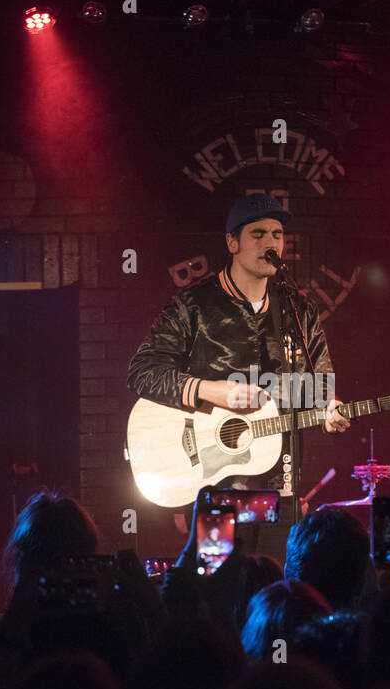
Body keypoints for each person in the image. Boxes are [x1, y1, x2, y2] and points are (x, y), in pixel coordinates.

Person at [127, 194, 350, 554]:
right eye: (258, 234)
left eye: (277, 234)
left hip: (283, 486)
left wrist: (329, 405)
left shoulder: (297, 306)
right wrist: (211, 391)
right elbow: (142, 372)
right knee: (220, 594)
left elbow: (319, 383)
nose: (271, 243)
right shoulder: (194, 306)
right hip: (217, 484)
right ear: (232, 242)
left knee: (278, 586)